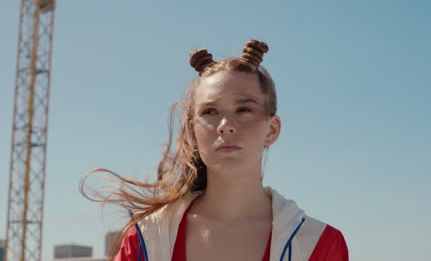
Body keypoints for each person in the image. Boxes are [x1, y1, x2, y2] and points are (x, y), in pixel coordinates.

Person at [81, 40, 349, 261]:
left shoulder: (317, 244)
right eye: (210, 112)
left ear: (272, 129)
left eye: (244, 109)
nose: (226, 126)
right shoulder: (145, 241)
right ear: (193, 132)